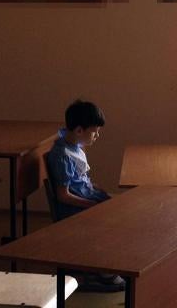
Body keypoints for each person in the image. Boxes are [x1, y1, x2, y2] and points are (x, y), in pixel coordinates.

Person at [45, 100, 124, 292]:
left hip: (86, 197)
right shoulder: (63, 156)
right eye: (95, 131)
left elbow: (82, 179)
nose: (97, 135)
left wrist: (99, 191)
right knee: (114, 218)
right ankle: (102, 271)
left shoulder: (74, 144)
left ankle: (108, 264)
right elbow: (63, 196)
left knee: (123, 205)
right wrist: (92, 206)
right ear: (79, 130)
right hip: (73, 208)